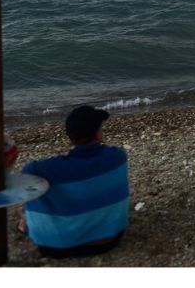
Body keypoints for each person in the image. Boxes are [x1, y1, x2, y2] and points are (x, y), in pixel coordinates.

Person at [19, 105, 129, 258]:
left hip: (57, 247)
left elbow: (27, 172)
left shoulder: (46, 169)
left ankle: (28, 225)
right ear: (97, 134)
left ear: (70, 137)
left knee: (37, 187)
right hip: (110, 239)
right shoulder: (117, 157)